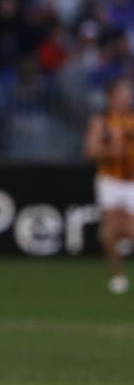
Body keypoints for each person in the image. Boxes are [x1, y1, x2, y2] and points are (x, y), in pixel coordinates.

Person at [85, 79, 134, 294]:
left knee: (130, 230)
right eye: (124, 93)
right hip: (110, 180)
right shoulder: (102, 121)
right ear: (112, 97)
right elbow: (90, 151)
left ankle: (122, 245)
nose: (128, 97)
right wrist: (109, 153)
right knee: (109, 231)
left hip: (132, 180)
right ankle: (117, 274)